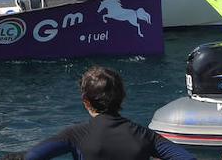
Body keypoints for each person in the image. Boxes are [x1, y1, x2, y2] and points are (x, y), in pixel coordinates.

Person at [20, 66, 195, 160]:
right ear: (122, 98)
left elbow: (32, 157)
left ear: (86, 101)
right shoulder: (145, 136)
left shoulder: (75, 135)